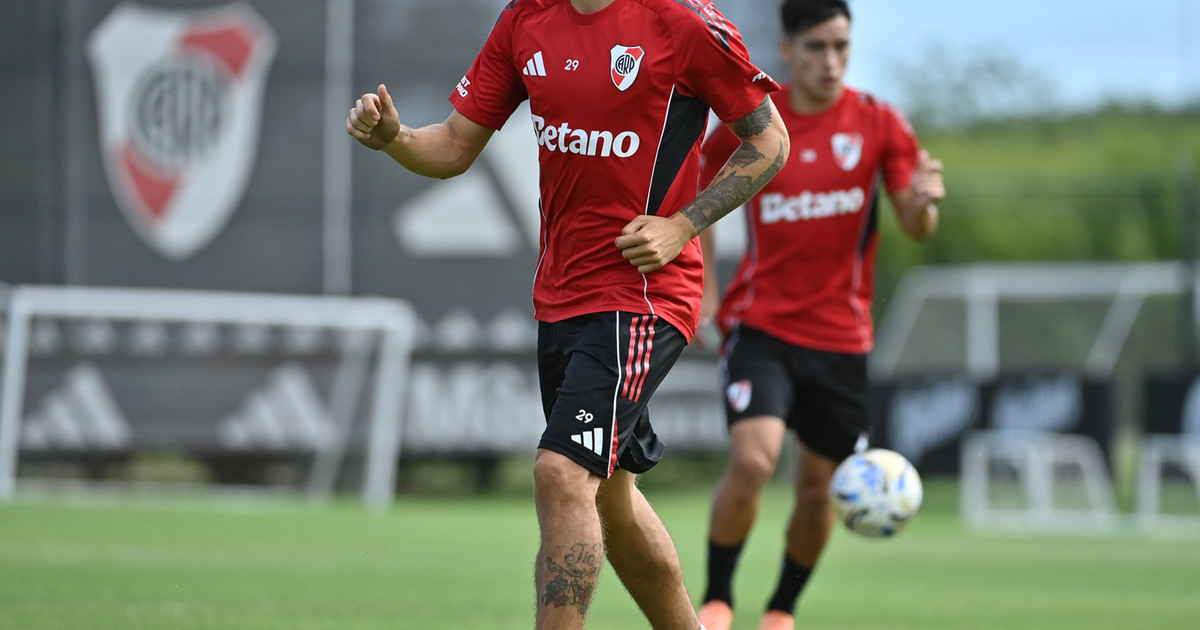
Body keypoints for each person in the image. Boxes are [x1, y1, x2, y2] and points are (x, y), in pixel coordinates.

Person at [346, 1, 789, 628]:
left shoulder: (682, 22)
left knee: (561, 473)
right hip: (560, 297)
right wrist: (395, 138)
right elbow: (452, 147)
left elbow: (769, 141)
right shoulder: (526, 19)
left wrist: (682, 226)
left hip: (642, 294)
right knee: (611, 497)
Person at [693, 2, 944, 630]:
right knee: (753, 461)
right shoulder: (755, 122)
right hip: (761, 326)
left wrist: (922, 204)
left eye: (841, 46)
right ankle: (717, 600)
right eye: (816, 47)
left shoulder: (879, 122)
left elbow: (916, 225)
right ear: (788, 50)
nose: (831, 61)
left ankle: (781, 610)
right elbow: (696, 194)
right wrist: (706, 293)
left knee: (817, 491)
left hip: (841, 338)